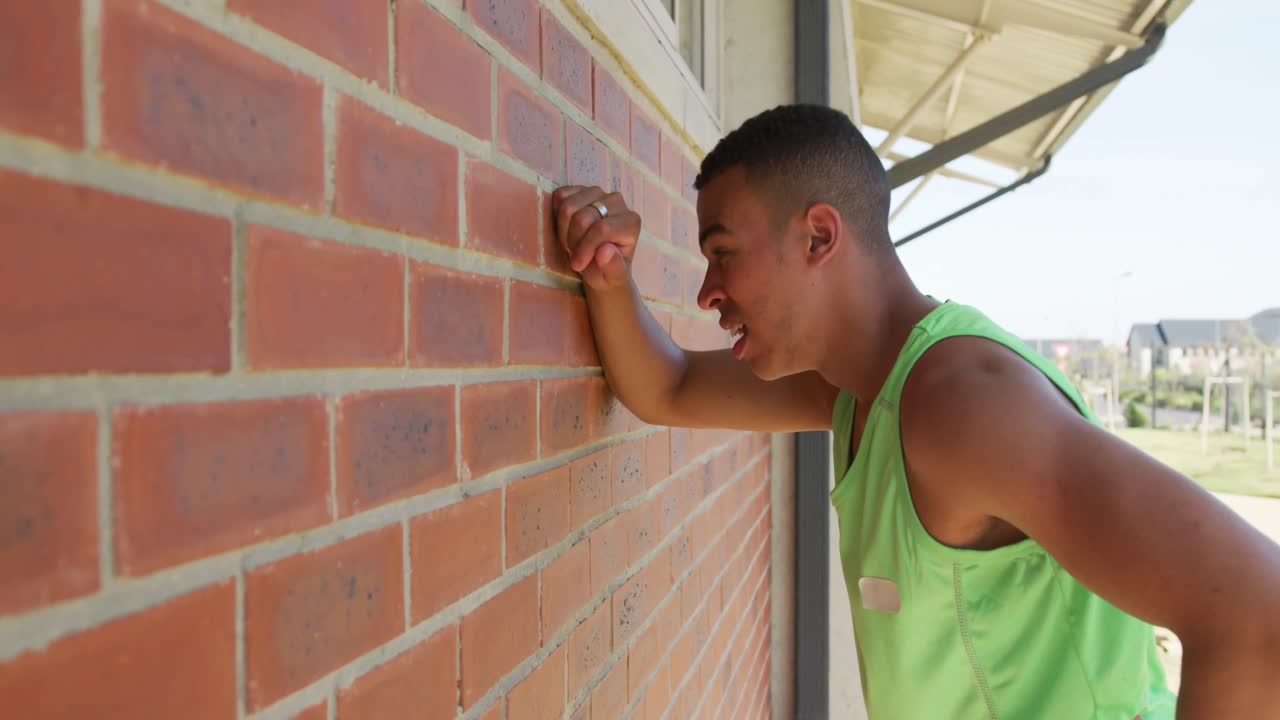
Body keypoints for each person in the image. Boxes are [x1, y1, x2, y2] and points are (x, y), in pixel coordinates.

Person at [550, 104, 1280, 719]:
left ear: (819, 237)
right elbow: (667, 389)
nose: (709, 291)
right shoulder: (852, 387)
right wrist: (608, 275)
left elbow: (1257, 612)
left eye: (723, 253)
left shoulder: (964, 408)